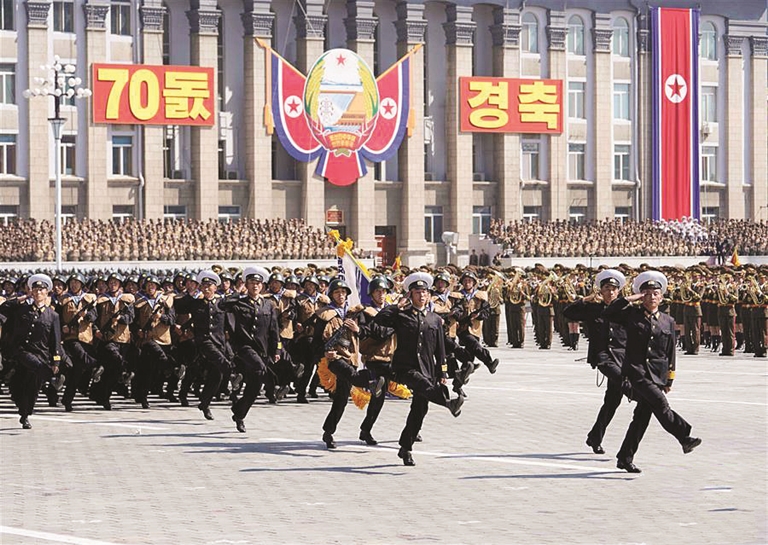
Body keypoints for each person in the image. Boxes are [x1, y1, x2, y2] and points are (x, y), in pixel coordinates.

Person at [604, 270, 702, 473]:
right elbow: (610, 312)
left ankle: (625, 457)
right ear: (641, 296)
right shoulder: (631, 315)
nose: (651, 297)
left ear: (661, 296)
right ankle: (684, 437)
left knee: (641, 418)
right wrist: (630, 298)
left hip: (657, 374)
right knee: (660, 403)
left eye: (655, 293)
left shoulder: (668, 321)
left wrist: (669, 379)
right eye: (646, 293)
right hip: (636, 372)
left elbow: (670, 352)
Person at [375, 272, 465, 466]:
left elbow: (440, 350)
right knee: (423, 385)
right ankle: (448, 402)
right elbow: (380, 320)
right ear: (410, 295)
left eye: (424, 292)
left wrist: (442, 373)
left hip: (428, 368)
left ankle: (405, 448)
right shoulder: (401, 315)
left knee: (419, 410)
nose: (421, 296)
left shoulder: (434, 319)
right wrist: (395, 306)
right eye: (417, 292)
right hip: (405, 367)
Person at [562, 269, 628, 455]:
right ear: (601, 290)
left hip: (621, 358)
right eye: (606, 288)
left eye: (614, 289)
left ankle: (594, 437)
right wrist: (585, 300)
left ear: (618, 291)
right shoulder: (593, 309)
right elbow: (568, 312)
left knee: (612, 401)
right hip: (602, 357)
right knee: (626, 384)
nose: (610, 292)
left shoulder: (624, 309)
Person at [314, 278, 385, 449]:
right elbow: (315, 342)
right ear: (331, 295)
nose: (341, 295)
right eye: (337, 293)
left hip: (351, 357)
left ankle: (328, 432)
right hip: (334, 358)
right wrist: (324, 352)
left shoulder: (356, 314)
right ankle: (370, 381)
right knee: (353, 376)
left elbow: (365, 334)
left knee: (341, 398)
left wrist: (357, 329)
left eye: (343, 293)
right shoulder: (324, 315)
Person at [220, 266, 279, 433]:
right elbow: (222, 304)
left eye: (258, 283)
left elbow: (274, 330)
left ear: (262, 286)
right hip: (244, 348)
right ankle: (274, 385)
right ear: (246, 284)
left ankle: (239, 413)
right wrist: (237, 292)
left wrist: (277, 350)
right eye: (252, 283)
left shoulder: (268, 305)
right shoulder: (239, 302)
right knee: (261, 369)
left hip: (263, 350)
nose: (255, 286)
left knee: (253, 389)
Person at [1, 274, 64, 429]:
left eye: (41, 290)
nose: (38, 293)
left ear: (47, 293)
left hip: (41, 354)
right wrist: (23, 297)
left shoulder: (53, 315)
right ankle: (52, 378)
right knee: (16, 387)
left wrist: (56, 361)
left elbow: (55, 340)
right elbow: (4, 308)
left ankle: (25, 414)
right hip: (21, 353)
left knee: (31, 390)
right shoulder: (22, 310)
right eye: (35, 290)